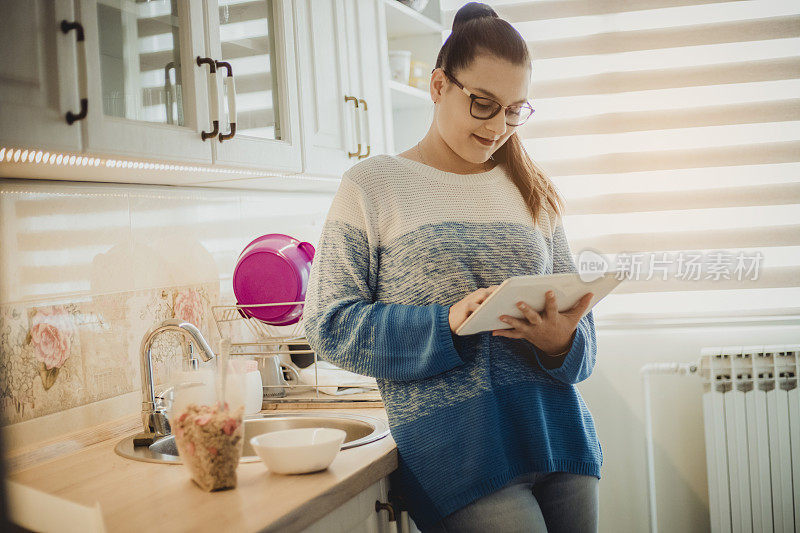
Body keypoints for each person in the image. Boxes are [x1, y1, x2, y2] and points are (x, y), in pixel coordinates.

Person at [303, 2, 601, 531]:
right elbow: (329, 325)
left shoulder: (533, 192)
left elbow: (585, 341)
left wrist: (559, 341)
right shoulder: (373, 187)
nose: (499, 127)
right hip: (459, 455)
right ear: (439, 86)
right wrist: (446, 324)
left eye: (514, 110)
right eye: (483, 104)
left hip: (558, 437)